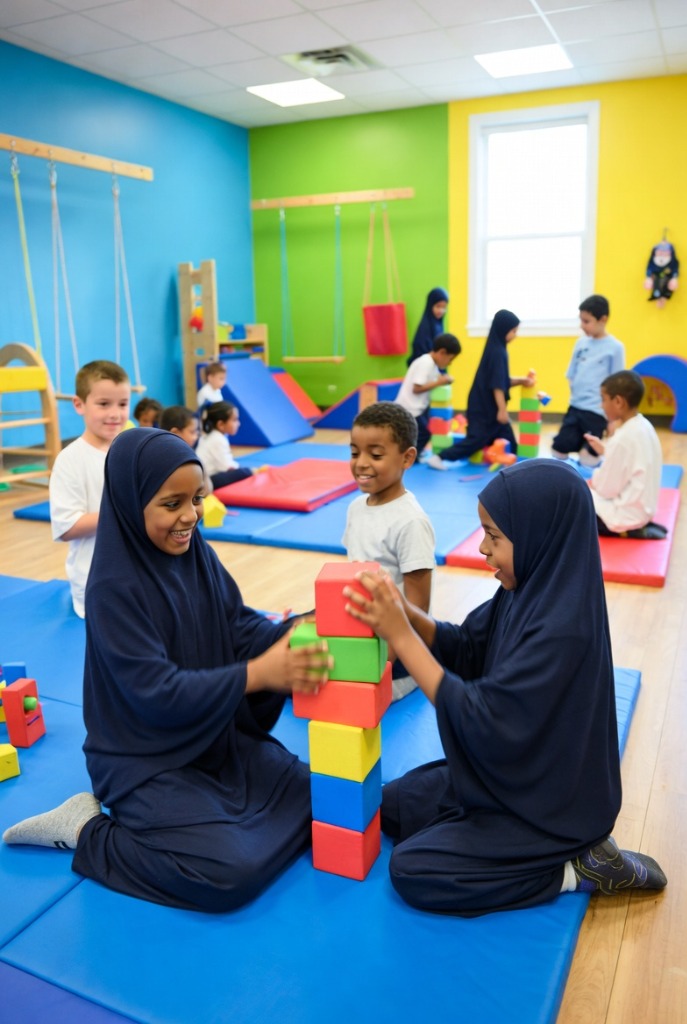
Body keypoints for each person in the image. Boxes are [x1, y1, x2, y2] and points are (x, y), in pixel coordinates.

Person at [4, 429, 332, 912]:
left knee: (319, 798)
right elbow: (154, 693)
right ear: (130, 504)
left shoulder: (197, 553)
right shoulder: (113, 589)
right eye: (171, 504)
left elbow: (238, 627)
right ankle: (85, 829)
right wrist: (260, 674)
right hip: (145, 758)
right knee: (228, 874)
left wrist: (294, 631)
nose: (191, 516)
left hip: (212, 737)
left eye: (197, 498)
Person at [343, 459, 667, 916]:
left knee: (414, 869)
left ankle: (578, 867)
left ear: (537, 534)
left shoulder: (563, 630)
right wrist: (407, 612)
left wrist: (400, 635)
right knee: (392, 803)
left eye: (494, 537)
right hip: (512, 775)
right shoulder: (527, 586)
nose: (482, 548)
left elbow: (481, 716)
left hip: (550, 810)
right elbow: (467, 647)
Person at [343, 402, 436, 701]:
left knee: (350, 698)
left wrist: (384, 664)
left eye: (376, 455)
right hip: (362, 629)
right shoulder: (356, 507)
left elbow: (417, 608)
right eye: (354, 453)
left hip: (400, 644)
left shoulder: (411, 521)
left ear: (407, 458)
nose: (361, 463)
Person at [49, 360, 131, 618]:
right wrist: (123, 513)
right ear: (79, 404)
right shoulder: (71, 460)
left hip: (138, 574)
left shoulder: (131, 451)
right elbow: (67, 527)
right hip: (97, 582)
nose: (115, 414)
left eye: (123, 404)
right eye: (104, 404)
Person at [427, 309, 533, 470]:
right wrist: (502, 410)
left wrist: (521, 381)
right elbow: (497, 385)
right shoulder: (498, 352)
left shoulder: (497, 348)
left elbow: (502, 380)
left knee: (509, 441)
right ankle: (439, 457)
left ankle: (516, 467)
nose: (515, 335)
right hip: (482, 408)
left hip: (490, 408)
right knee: (477, 439)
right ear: (503, 330)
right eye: (513, 331)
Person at [584, 370, 666, 539]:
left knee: (572, 497)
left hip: (620, 518)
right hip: (642, 511)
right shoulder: (644, 426)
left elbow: (606, 489)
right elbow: (633, 460)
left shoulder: (622, 438)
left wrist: (593, 481)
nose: (601, 405)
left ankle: (629, 530)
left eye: (604, 399)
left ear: (618, 401)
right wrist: (606, 450)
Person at [552, 295, 625, 467]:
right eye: (581, 320)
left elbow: (618, 385)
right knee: (558, 450)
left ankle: (595, 466)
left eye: (586, 321)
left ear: (603, 319)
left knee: (588, 457)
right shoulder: (581, 343)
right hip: (576, 407)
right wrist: (576, 396)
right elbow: (571, 374)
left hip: (596, 412)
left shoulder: (615, 347)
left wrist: (613, 420)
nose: (582, 325)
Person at [395, 334, 461, 458]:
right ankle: (410, 458)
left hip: (415, 409)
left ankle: (411, 455)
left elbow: (433, 379)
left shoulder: (431, 364)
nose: (450, 363)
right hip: (410, 409)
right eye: (450, 359)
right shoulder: (426, 362)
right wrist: (439, 382)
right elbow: (416, 388)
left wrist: (443, 379)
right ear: (442, 352)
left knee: (419, 434)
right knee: (424, 433)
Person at [196, 400, 255, 490]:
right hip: (205, 481)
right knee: (244, 472)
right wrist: (243, 469)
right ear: (221, 424)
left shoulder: (212, 436)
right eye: (234, 420)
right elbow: (226, 467)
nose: (238, 424)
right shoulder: (217, 439)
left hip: (202, 478)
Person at [159, 404, 212, 494]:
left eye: (197, 432)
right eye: (192, 432)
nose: (196, 437)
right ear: (175, 433)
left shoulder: (161, 451)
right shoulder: (183, 459)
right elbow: (206, 490)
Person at [407, 287, 449, 366]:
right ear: (430, 306)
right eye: (438, 306)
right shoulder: (425, 328)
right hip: (424, 367)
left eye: (444, 307)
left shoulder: (438, 325)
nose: (441, 311)